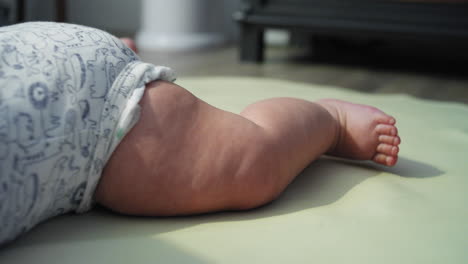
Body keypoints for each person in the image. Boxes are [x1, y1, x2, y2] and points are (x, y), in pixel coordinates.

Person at [0, 22, 400, 245]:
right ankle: (106, 54)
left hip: (96, 111)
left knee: (253, 161)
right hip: (32, 47)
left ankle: (329, 121)